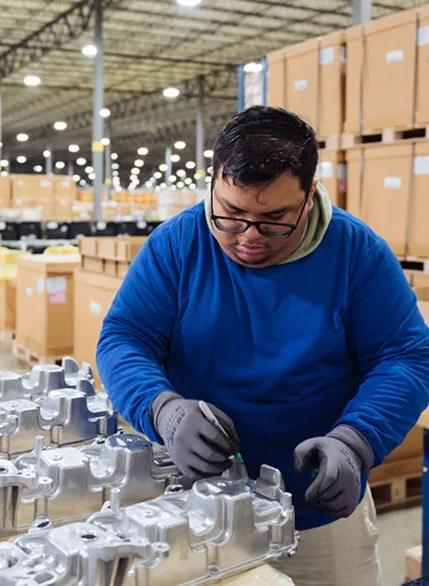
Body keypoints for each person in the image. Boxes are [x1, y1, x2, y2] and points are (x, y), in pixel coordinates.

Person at [96, 106, 429, 585]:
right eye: (231, 214)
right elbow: (124, 338)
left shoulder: (357, 255)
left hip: (319, 509)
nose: (248, 238)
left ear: (309, 195)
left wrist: (358, 441)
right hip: (197, 505)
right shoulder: (177, 245)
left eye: (275, 220)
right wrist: (161, 409)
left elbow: (406, 358)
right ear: (212, 182)